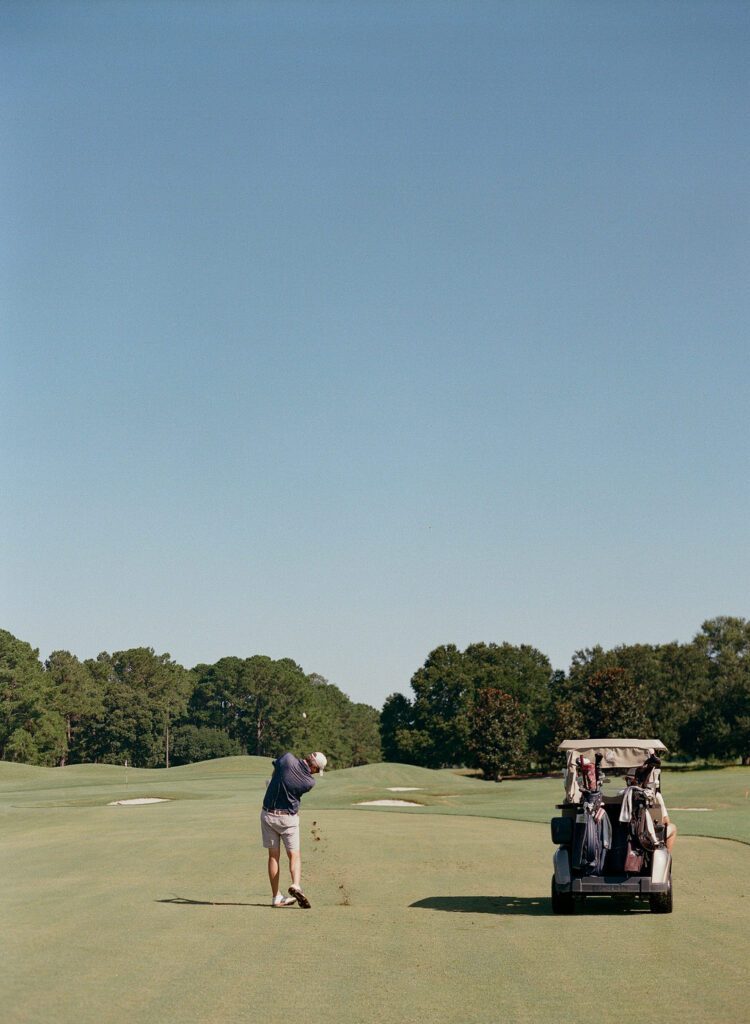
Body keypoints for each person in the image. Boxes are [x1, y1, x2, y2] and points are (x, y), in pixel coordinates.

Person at [260, 750, 327, 908]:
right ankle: (296, 885)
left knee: (273, 857)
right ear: (314, 769)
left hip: (268, 814)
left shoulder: (287, 758)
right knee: (294, 855)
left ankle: (276, 897)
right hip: (288, 819)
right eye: (317, 771)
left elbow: (277, 770)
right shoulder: (309, 782)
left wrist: (273, 782)